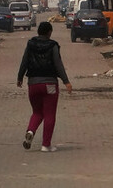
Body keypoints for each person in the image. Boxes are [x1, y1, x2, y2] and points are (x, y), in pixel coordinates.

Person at [16, 20, 72, 152]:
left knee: (37, 112)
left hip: (33, 84)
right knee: (49, 114)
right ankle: (46, 145)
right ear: (49, 32)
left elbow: (24, 61)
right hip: (49, 84)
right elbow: (58, 65)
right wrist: (66, 81)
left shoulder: (30, 44)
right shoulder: (53, 46)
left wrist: (19, 78)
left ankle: (30, 131)